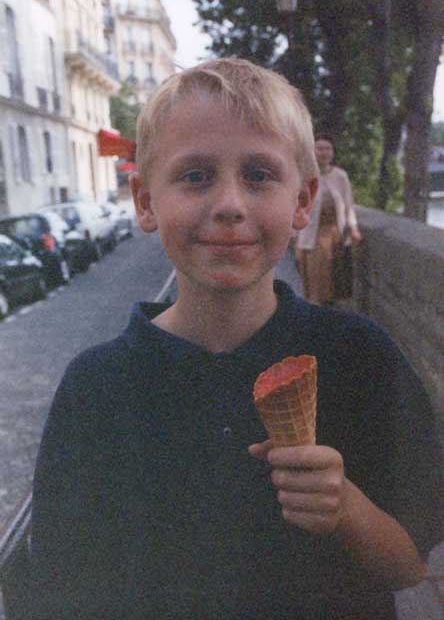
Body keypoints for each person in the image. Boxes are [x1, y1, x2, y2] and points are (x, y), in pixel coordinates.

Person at [29, 58, 443, 620]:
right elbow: (62, 589)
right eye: (196, 176)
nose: (229, 204)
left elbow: (409, 567)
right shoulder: (96, 388)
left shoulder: (360, 356)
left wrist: (345, 506)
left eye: (259, 175)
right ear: (145, 201)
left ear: (303, 201)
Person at [295, 133, 362, 306]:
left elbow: (349, 206)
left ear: (332, 152)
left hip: (336, 236)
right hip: (312, 237)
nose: (324, 152)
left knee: (337, 284)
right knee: (317, 285)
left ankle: (334, 320)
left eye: (328, 148)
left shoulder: (341, 176)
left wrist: (353, 228)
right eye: (320, 148)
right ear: (313, 151)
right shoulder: (304, 176)